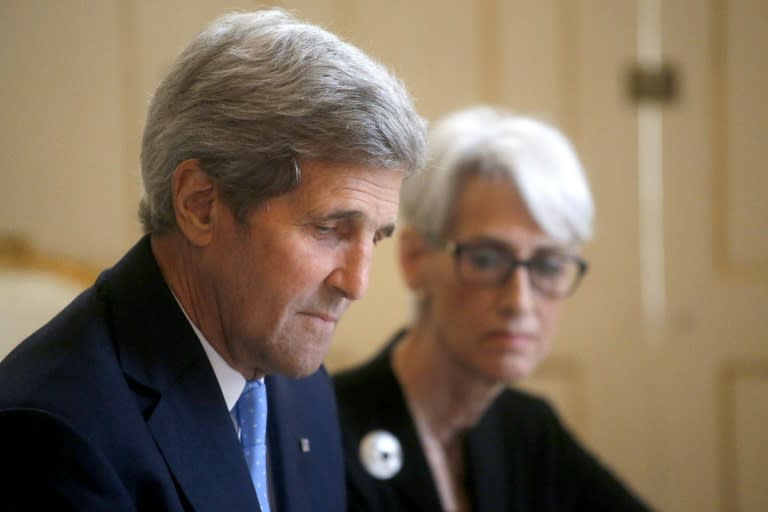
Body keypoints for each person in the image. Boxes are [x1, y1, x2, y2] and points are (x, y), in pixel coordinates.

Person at [0, 9, 425, 511]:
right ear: (200, 204)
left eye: (374, 238)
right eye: (329, 229)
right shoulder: (54, 432)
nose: (357, 283)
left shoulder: (299, 383)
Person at [334, 106, 652, 511]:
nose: (519, 301)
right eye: (486, 259)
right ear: (415, 259)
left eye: (549, 264)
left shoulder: (527, 429)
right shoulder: (326, 430)